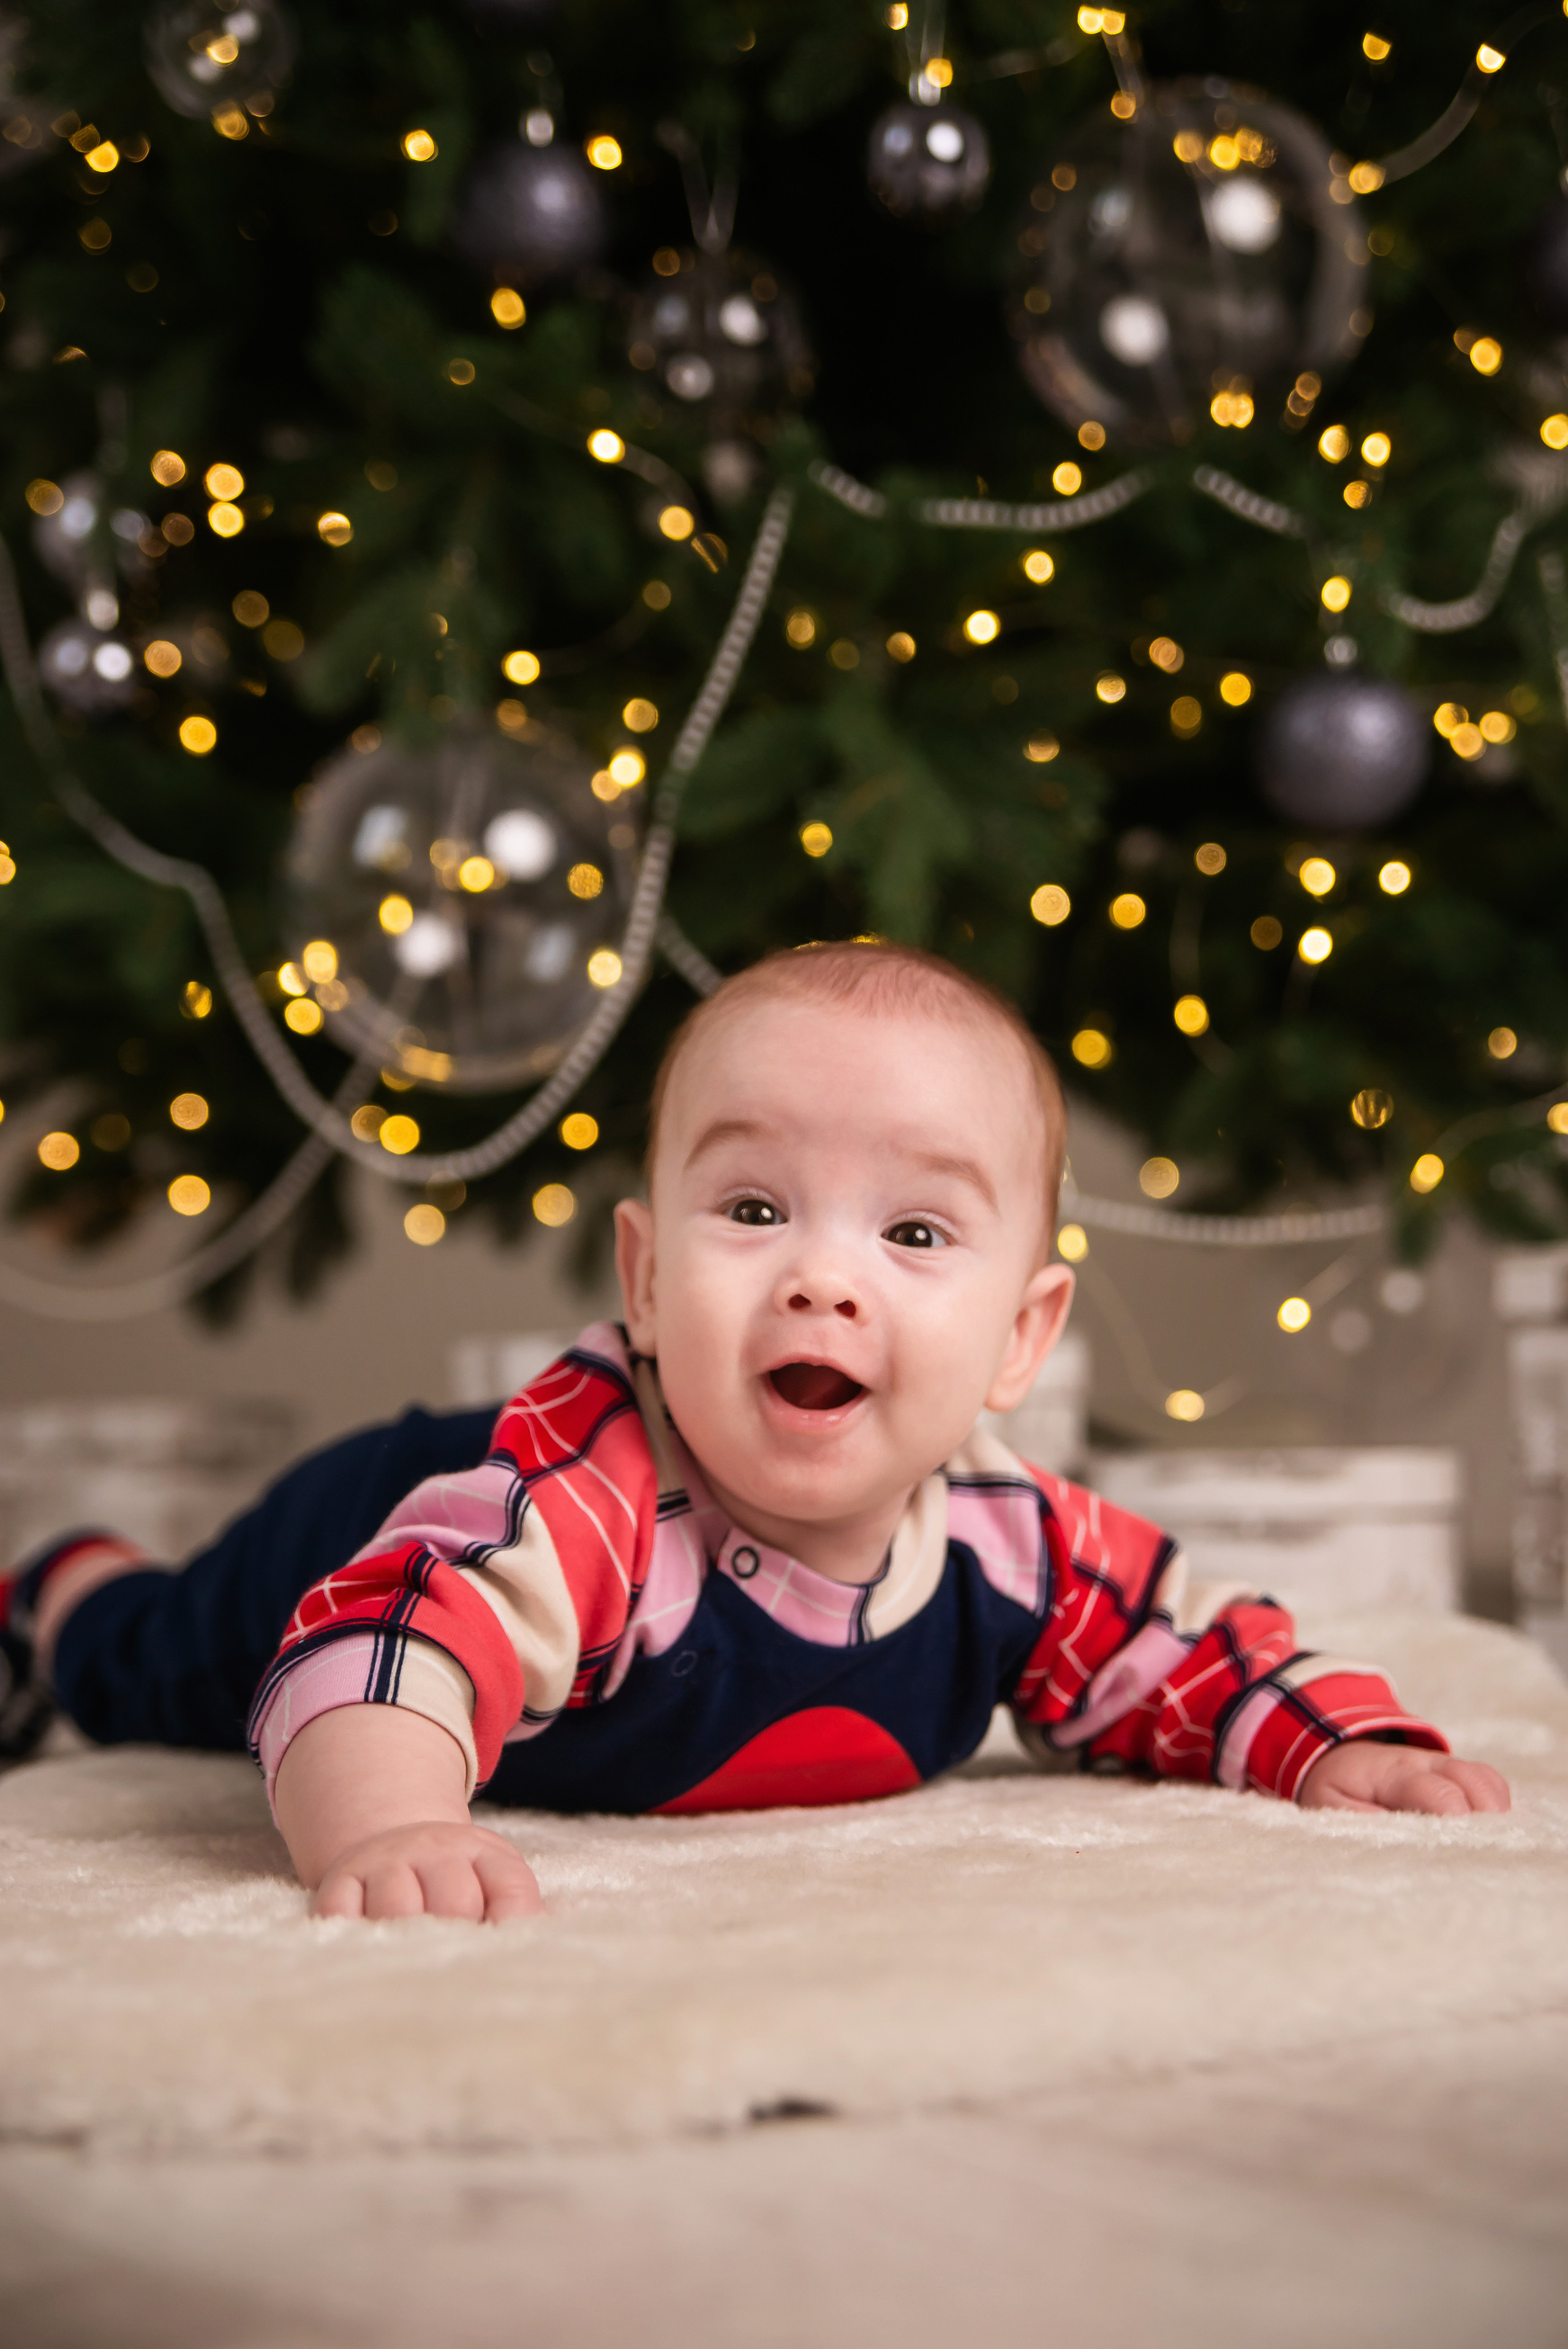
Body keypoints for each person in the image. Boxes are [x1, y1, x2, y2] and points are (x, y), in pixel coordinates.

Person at [0, 942, 1510, 1921]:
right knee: (157, 1669)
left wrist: (1333, 1747)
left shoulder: (1006, 1538)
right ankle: (64, 1579)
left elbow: (1180, 1652)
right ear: (646, 1281)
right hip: (374, 1522)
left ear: (1020, 1339)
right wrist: (380, 1824)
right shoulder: (584, 1504)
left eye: (915, 1231)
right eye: (754, 1210)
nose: (822, 1277)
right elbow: (383, 1640)